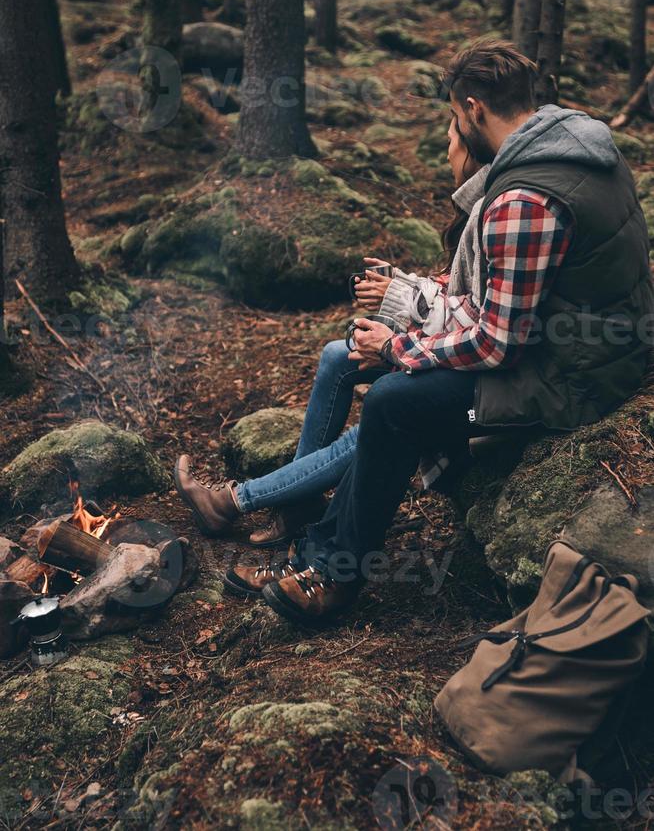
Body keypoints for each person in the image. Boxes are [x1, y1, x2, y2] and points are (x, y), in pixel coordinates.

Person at [186, 39, 654, 626]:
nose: (454, 134)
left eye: (456, 120)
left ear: (475, 108)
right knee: (371, 373)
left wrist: (398, 345)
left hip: (574, 377)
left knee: (395, 401)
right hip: (574, 350)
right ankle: (306, 543)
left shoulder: (525, 197)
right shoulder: (571, 148)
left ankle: (333, 577)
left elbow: (496, 341)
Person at [174, 120, 485, 565]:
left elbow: (480, 324)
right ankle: (298, 503)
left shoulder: (499, 208)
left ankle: (232, 502)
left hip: (472, 377)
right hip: (457, 349)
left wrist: (397, 321)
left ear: (473, 143)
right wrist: (403, 283)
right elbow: (458, 292)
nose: (446, 148)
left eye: (451, 136)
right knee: (339, 355)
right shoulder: (476, 204)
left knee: (383, 409)